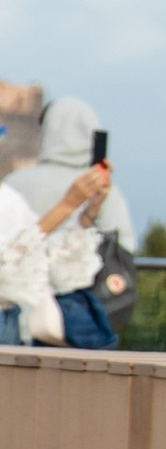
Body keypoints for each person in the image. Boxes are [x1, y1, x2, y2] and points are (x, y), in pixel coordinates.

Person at [4, 98, 139, 345]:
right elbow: (123, 249)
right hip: (72, 316)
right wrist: (75, 207)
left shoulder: (15, 184)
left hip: (18, 315)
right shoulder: (106, 190)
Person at [0, 158, 117, 346]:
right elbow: (6, 264)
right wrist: (67, 205)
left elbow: (48, 259)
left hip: (12, 324)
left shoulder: (9, 197)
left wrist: (89, 211)